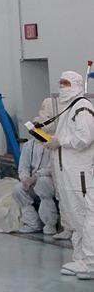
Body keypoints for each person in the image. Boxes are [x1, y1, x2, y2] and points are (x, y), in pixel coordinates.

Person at [45, 71, 94, 279]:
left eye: (66, 83)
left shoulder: (82, 107)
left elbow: (85, 138)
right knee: (75, 216)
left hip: (81, 174)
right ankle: (81, 257)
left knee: (87, 216)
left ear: (76, 85)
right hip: (69, 173)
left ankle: (90, 261)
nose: (62, 87)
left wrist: (60, 140)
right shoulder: (69, 108)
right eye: (60, 83)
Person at [13, 132, 58, 235]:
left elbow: (53, 168)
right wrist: (25, 179)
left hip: (49, 181)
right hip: (31, 181)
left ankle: (50, 224)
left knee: (42, 183)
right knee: (18, 189)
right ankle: (33, 223)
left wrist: (36, 176)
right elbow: (23, 167)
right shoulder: (29, 145)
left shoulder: (53, 143)